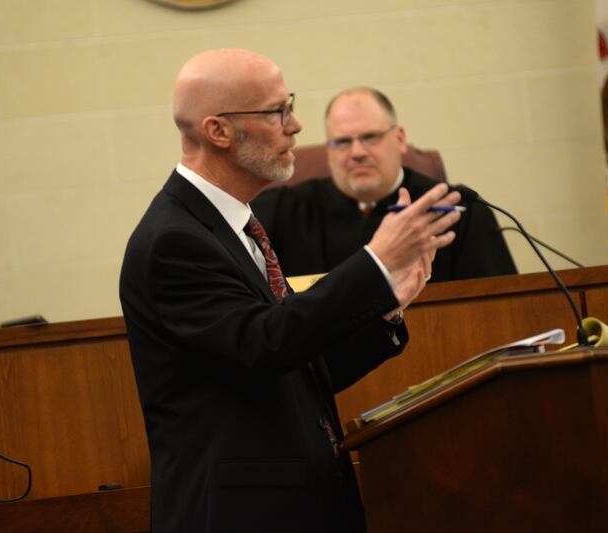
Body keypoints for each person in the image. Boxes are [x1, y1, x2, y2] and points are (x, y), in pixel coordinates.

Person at [119, 49, 461, 533]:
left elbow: (292, 371)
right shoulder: (174, 241)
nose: (296, 125)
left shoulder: (232, 224)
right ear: (218, 131)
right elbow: (262, 345)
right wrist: (375, 262)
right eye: (277, 111)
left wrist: (387, 307)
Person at [251, 87, 517, 281]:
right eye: (342, 142)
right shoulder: (283, 211)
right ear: (328, 149)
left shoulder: (458, 212)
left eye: (370, 137)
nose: (357, 152)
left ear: (400, 139)